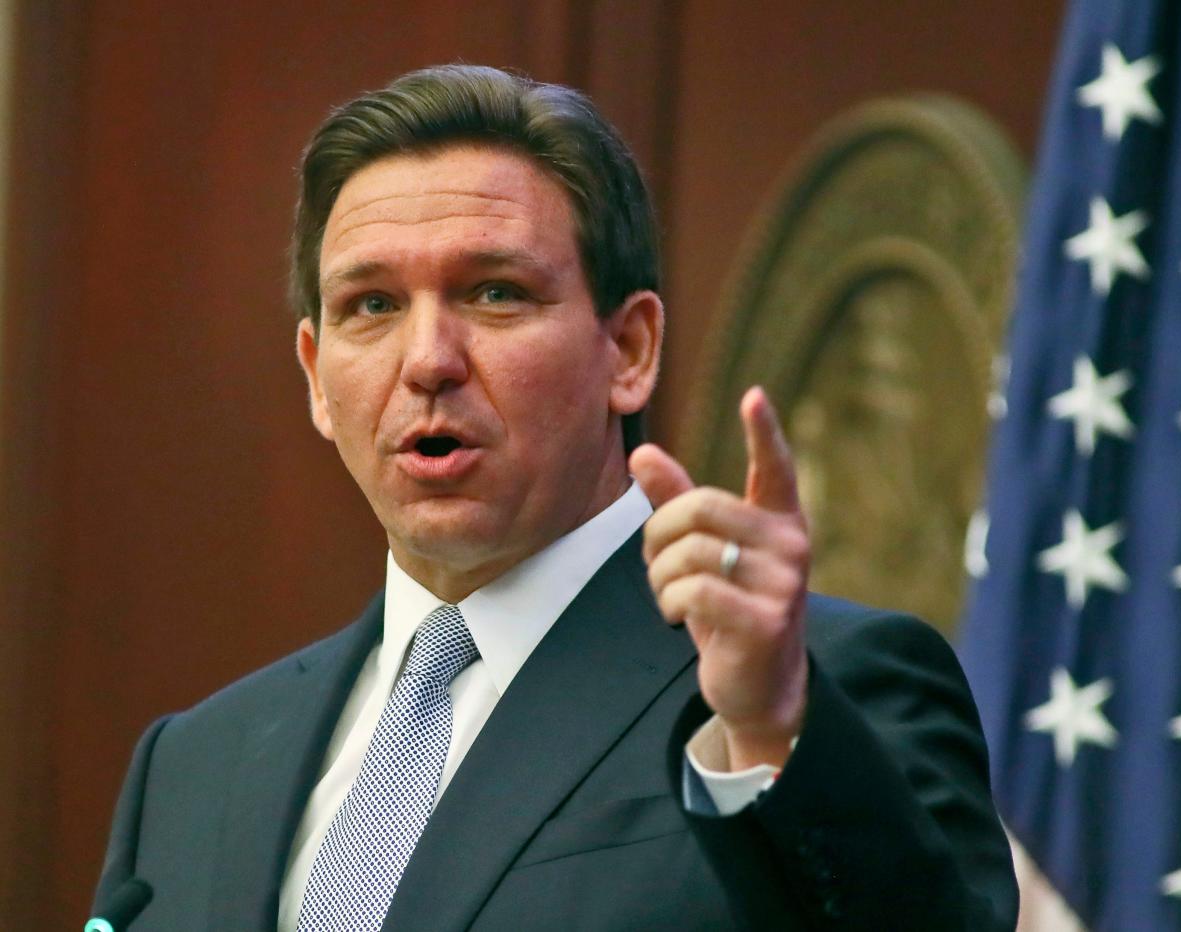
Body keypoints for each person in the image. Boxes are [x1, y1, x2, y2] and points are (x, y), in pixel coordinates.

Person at [92, 64, 1017, 931]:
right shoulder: (192, 764)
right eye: (371, 306)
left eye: (495, 292)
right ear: (316, 380)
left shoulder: (816, 690)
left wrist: (775, 729)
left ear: (629, 351)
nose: (427, 362)